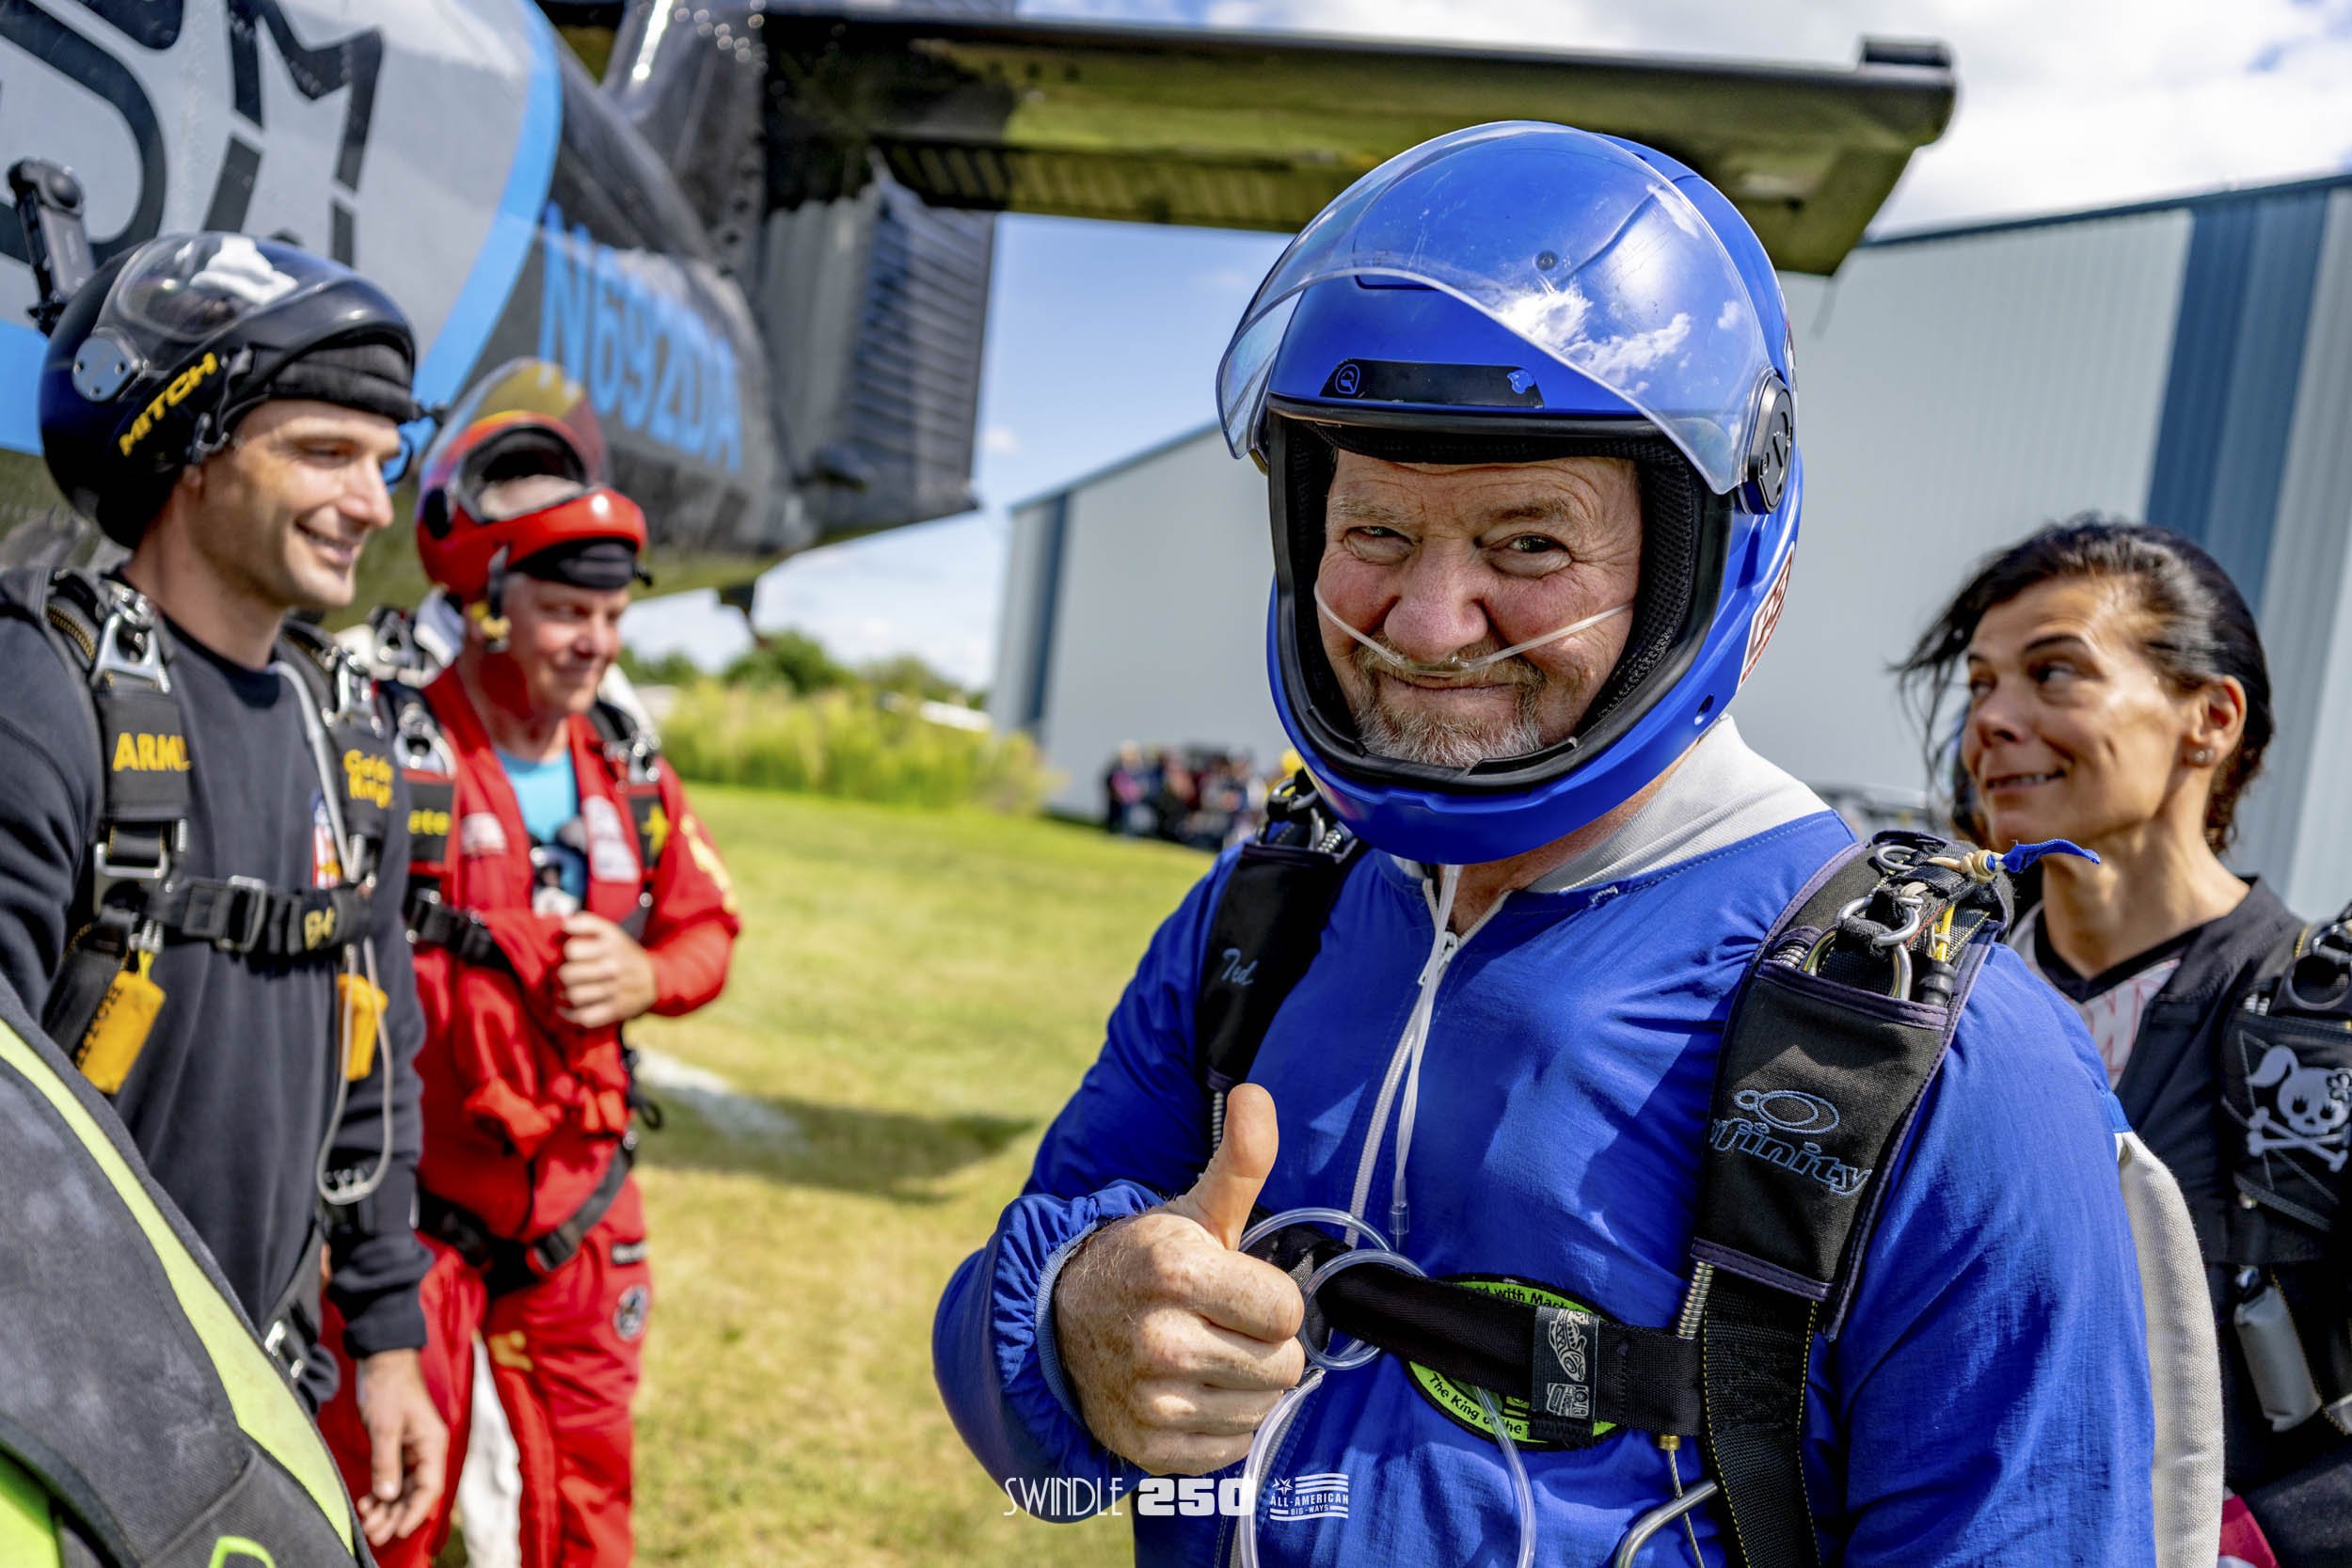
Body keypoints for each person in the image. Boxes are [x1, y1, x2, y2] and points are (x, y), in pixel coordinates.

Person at [934, 123, 2169, 1565]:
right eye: (1377, 529)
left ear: (1701, 569)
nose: (1425, 622)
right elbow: (1021, 1404)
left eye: (1529, 544)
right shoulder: (1264, 914)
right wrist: (1081, 1324)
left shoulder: (1940, 1056)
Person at [0, 228, 445, 1547]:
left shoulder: (350, 736)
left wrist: (390, 1335)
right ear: (190, 456)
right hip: (57, 1423)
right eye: (324, 452)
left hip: (259, 1396)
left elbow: (378, 1063)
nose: (372, 500)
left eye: (386, 458)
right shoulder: (44, 695)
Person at [315, 359, 741, 1568]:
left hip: (582, 1209)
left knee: (586, 1512)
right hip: (414, 1217)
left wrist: (647, 975)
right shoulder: (395, 745)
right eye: (566, 611)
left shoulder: (626, 760)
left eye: (611, 617)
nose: (594, 643)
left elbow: (709, 931)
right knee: (381, 1502)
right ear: (490, 602)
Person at [1900, 517, 2345, 1568]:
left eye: (2054, 674)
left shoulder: (2323, 1033)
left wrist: (2257, 1540)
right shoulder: (1907, 1007)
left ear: (2209, 719)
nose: (1994, 722)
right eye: (1979, 685)